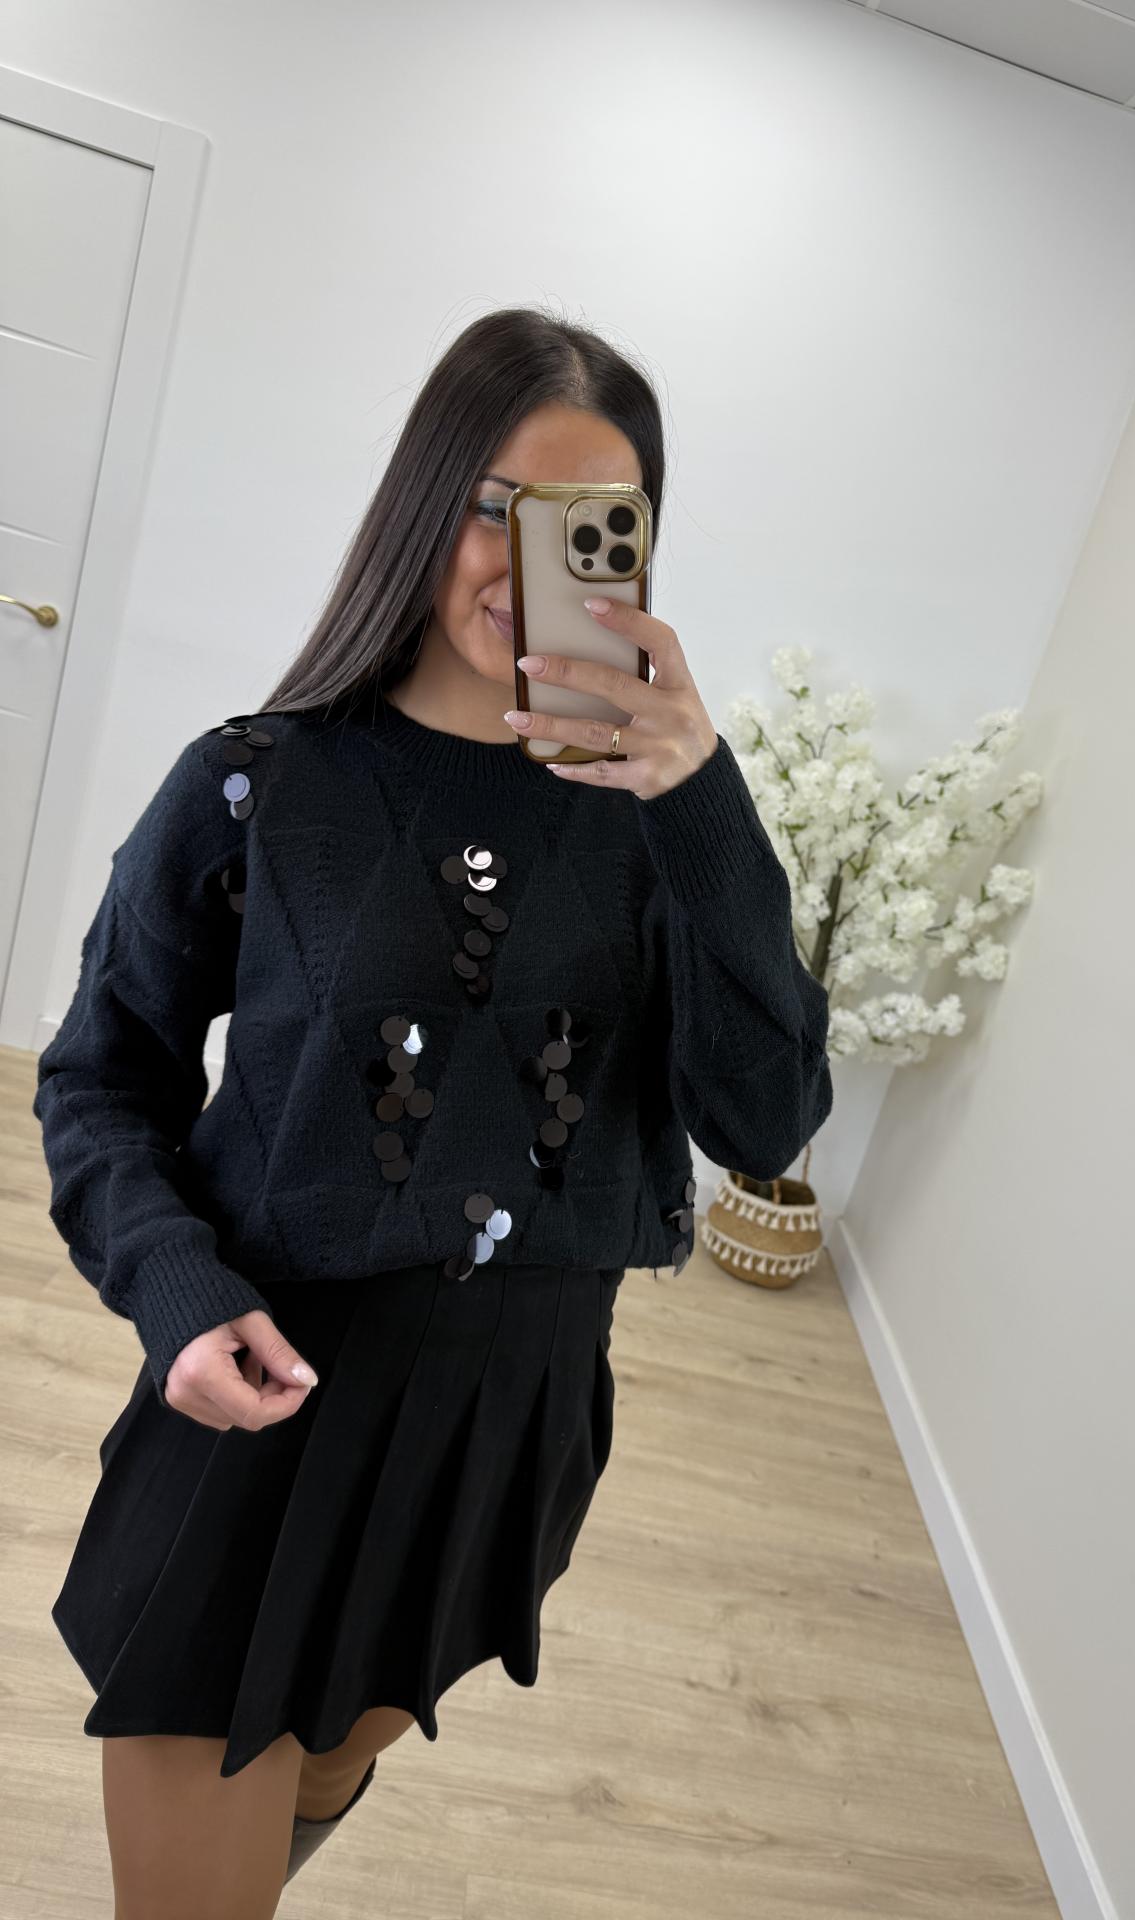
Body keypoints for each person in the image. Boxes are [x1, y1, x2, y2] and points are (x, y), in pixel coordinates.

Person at [33, 305, 833, 1920]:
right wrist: (174, 1291)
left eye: (591, 527)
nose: (528, 565)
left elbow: (763, 1121)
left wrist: (704, 804)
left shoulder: (666, 826)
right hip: (266, 1402)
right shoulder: (257, 782)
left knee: (335, 1757)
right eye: (496, 509)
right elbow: (100, 1079)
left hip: (506, 1436)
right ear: (424, 503)